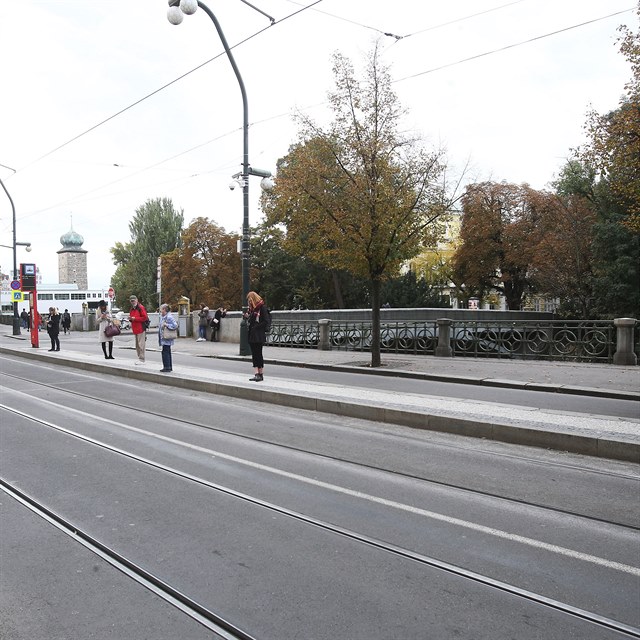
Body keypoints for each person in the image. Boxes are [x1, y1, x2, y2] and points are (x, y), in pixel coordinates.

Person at [245, 291, 269, 382]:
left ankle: (260, 374)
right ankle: (256, 373)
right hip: (252, 334)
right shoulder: (252, 309)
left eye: (249, 300)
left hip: (258, 335)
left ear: (252, 299)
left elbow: (266, 321)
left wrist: (256, 327)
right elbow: (251, 321)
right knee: (254, 354)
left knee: (258, 354)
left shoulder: (262, 308)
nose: (249, 302)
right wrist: (247, 317)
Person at [129, 295, 149, 365]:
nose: (133, 302)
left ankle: (142, 359)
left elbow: (145, 318)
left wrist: (135, 319)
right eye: (131, 301)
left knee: (141, 344)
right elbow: (133, 318)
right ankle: (140, 358)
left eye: (133, 300)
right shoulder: (132, 309)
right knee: (137, 345)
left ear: (137, 300)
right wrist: (131, 319)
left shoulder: (141, 308)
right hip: (135, 329)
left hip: (141, 328)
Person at [158, 303, 178, 373]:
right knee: (166, 351)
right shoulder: (164, 316)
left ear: (164, 309)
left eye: (161, 309)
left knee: (165, 352)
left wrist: (167, 325)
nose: (160, 311)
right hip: (164, 337)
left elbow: (175, 325)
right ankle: (168, 366)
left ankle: (167, 367)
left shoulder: (169, 317)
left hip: (167, 337)